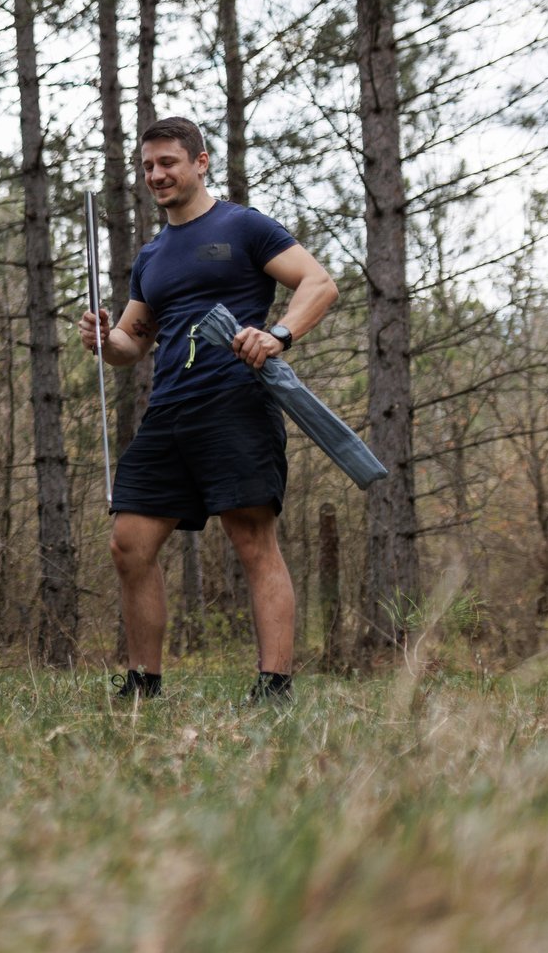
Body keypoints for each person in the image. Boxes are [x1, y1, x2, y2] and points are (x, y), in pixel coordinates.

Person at [78, 116, 337, 702]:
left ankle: (274, 686)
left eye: (167, 162)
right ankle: (144, 684)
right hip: (168, 412)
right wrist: (103, 340)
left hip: (236, 403)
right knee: (128, 543)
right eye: (147, 166)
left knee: (252, 541)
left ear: (200, 162)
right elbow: (131, 343)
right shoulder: (152, 255)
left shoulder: (242, 226)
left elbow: (319, 283)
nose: (155, 175)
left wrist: (279, 336)